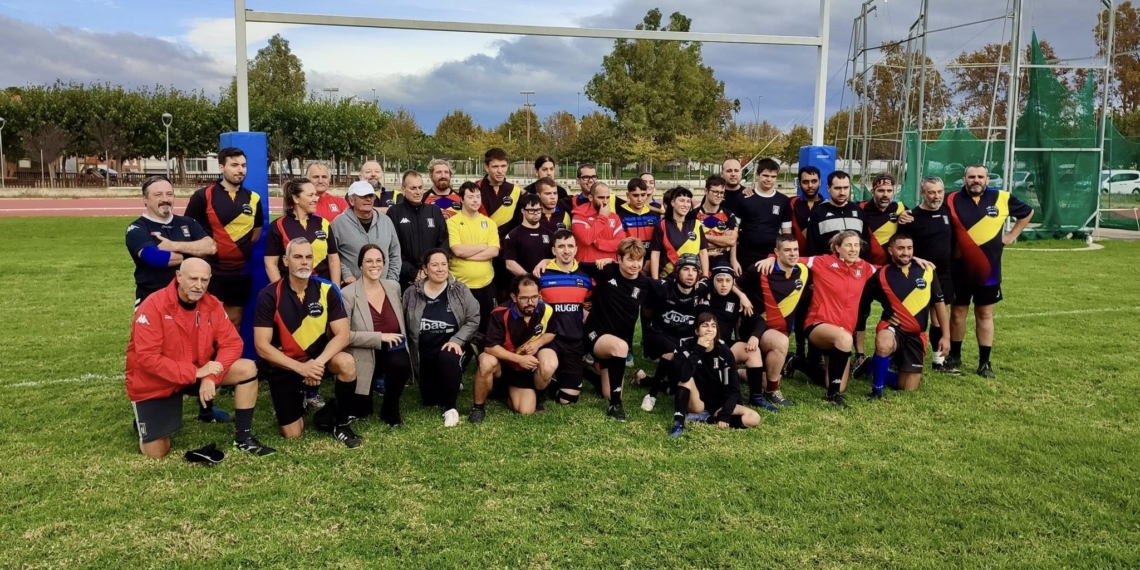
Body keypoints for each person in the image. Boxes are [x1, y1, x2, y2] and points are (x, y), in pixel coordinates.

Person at [126, 258, 274, 457]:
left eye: (204, 280)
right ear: (178, 277)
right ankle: (146, 420)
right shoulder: (152, 305)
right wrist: (195, 372)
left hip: (197, 373)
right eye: (193, 279)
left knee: (247, 368)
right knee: (157, 452)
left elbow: (232, 343)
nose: (199, 285)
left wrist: (209, 377)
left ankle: (243, 438)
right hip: (159, 380)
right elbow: (147, 359)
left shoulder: (212, 304)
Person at [253, 238, 362, 448]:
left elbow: (343, 335)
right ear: (285, 261)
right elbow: (262, 346)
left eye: (308, 257)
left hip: (318, 363)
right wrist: (302, 368)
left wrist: (317, 364)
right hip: (286, 365)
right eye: (298, 257)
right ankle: (300, 399)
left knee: (346, 362)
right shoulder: (268, 294)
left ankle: (340, 422)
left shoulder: (327, 289)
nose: (304, 262)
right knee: (292, 435)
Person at [756, 230, 875, 408]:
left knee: (839, 383)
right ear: (837, 248)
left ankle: (796, 362)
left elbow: (887, 271)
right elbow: (791, 258)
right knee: (844, 340)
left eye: (856, 245)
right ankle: (832, 396)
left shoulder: (864, 267)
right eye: (848, 245)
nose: (853, 249)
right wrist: (771, 257)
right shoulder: (822, 262)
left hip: (843, 333)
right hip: (818, 325)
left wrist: (914, 261)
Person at [944, 164, 1033, 378]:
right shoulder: (950, 198)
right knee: (957, 313)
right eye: (972, 177)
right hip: (958, 268)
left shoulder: (1001, 197)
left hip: (989, 270)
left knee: (984, 313)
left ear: (987, 180)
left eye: (980, 177)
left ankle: (985, 362)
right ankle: (954, 357)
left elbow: (1028, 212)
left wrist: (1011, 236)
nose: (976, 180)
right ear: (964, 179)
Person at [862, 232, 950, 399]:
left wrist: (946, 336)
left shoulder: (927, 270)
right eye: (900, 248)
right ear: (890, 250)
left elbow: (939, 304)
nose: (906, 252)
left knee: (907, 387)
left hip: (917, 336)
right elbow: (861, 297)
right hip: (892, 327)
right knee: (883, 342)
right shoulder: (880, 274)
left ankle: (870, 366)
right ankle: (876, 390)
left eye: (909, 248)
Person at [183, 147, 264, 326]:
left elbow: (256, 233)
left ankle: (229, 355)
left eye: (243, 165)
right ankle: (207, 355)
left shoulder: (254, 198)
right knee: (208, 320)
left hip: (241, 272)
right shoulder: (203, 196)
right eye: (234, 165)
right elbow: (187, 230)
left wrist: (234, 248)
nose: (240, 169)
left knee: (234, 320)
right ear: (221, 168)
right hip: (212, 271)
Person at [403, 249, 482, 427]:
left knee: (448, 357)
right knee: (430, 400)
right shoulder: (411, 293)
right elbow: (404, 323)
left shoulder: (460, 290)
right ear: (425, 268)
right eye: (435, 265)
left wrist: (457, 340)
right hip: (424, 352)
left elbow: (473, 319)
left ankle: (451, 409)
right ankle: (450, 380)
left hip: (453, 347)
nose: (440, 269)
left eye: (444, 264)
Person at [470, 274, 559, 421]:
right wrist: (519, 359)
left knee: (526, 410)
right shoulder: (499, 314)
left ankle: (538, 395)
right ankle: (478, 408)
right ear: (514, 297)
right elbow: (490, 347)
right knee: (486, 361)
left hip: (523, 370)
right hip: (503, 365)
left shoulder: (547, 310)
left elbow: (551, 333)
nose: (530, 302)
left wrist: (537, 343)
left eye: (535, 297)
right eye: (524, 298)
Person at [583, 238, 653, 420]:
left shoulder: (645, 284)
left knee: (608, 391)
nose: (635, 265)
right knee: (620, 347)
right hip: (595, 334)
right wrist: (545, 261)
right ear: (619, 259)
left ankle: (588, 375)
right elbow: (575, 266)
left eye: (639, 260)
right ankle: (615, 406)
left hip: (618, 344)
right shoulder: (607, 270)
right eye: (630, 259)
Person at [341, 244, 411, 426]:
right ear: (360, 265)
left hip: (392, 348)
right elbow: (344, 335)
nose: (375, 265)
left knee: (400, 363)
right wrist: (379, 337)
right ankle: (365, 393)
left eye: (379, 261)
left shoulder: (393, 287)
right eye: (369, 261)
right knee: (362, 410)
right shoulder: (347, 294)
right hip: (362, 352)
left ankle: (390, 407)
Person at [898, 176, 958, 374]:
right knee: (914, 318)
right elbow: (900, 248)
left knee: (939, 318)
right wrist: (915, 260)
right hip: (918, 276)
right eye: (931, 192)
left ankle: (938, 361)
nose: (936, 196)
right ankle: (901, 356)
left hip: (944, 274)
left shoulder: (947, 211)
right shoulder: (911, 217)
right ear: (922, 193)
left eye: (940, 191)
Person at [126, 175, 216, 309]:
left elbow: (211, 247)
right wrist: (194, 253)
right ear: (145, 199)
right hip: (152, 301)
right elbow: (155, 258)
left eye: (169, 194)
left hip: (191, 302)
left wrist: (173, 246)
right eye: (158, 195)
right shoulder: (137, 228)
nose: (165, 199)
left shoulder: (189, 223)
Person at [666, 313, 762, 438]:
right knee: (687, 380)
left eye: (713, 326)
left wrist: (725, 415)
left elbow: (734, 388)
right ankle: (679, 424)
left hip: (719, 404)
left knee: (754, 418)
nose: (709, 329)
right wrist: (699, 349)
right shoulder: (685, 346)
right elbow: (683, 376)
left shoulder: (724, 351)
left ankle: (709, 419)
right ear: (697, 330)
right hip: (698, 403)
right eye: (705, 325)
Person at [740, 234, 806, 411]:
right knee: (781, 343)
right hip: (755, 329)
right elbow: (735, 284)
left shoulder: (803, 269)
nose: (793, 254)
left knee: (764, 377)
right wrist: (742, 297)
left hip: (780, 331)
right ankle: (772, 391)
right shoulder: (760, 269)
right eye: (787, 250)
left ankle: (740, 374)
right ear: (777, 251)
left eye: (795, 249)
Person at [639, 254, 709, 412]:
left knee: (677, 382)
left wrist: (743, 296)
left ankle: (645, 379)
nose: (691, 274)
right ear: (677, 272)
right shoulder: (664, 286)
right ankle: (651, 395)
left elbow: (726, 279)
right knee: (674, 351)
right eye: (685, 269)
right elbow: (637, 278)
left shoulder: (702, 289)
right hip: (658, 334)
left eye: (694, 270)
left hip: (684, 339)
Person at [852, 173, 904, 373]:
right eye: (880, 190)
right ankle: (859, 355)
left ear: (894, 191)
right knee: (860, 314)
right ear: (872, 190)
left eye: (889, 191)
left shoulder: (900, 209)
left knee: (894, 312)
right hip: (864, 273)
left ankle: (891, 353)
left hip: (889, 274)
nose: (885, 194)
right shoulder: (860, 208)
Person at [538, 230, 593, 405]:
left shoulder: (585, 277)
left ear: (576, 249)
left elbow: (589, 304)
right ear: (553, 250)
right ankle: (538, 393)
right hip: (550, 339)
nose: (566, 251)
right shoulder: (542, 275)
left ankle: (558, 380)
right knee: (547, 366)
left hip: (574, 340)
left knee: (567, 400)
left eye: (570, 246)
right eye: (561, 246)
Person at [446, 181, 500, 335]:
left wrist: (466, 254)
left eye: (478, 196)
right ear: (461, 199)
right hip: (461, 285)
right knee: (461, 325)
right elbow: (457, 250)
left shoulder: (489, 223)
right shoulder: (452, 222)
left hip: (486, 284)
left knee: (486, 326)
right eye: (471, 197)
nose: (476, 200)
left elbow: (494, 251)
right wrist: (482, 246)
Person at [265, 178, 341, 284]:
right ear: (296, 198)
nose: (316, 199)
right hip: (292, 290)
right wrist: (282, 292)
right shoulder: (278, 226)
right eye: (310, 195)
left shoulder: (323, 223)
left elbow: (333, 259)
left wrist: (336, 289)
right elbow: (270, 263)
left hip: (323, 289)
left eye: (315, 194)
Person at [388, 167, 451, 290]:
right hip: (406, 279)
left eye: (420, 187)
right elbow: (392, 247)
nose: (418, 192)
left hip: (433, 276)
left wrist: (431, 268)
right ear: (403, 189)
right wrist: (413, 272)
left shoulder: (434, 211)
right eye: (413, 188)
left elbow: (444, 242)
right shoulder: (394, 212)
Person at [788, 166, 823, 371]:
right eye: (805, 181)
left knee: (819, 308)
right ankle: (800, 350)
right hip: (796, 265)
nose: (810, 185)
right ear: (799, 183)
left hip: (821, 267)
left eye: (813, 181)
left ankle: (816, 352)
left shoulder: (827, 205)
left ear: (819, 182)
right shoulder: (791, 203)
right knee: (799, 308)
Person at [729, 158, 791, 276]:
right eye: (765, 175)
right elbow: (733, 232)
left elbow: (786, 235)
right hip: (745, 255)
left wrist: (781, 257)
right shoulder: (743, 198)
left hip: (771, 256)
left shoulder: (783, 201)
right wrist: (733, 259)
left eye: (773, 176)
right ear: (757, 175)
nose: (769, 179)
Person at [333, 180, 401, 286]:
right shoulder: (338, 223)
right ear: (351, 201)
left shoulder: (386, 221)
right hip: (353, 287)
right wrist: (346, 273)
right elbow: (333, 255)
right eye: (363, 196)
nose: (368, 199)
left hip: (385, 287)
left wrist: (391, 280)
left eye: (371, 196)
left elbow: (395, 253)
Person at [571, 181, 627, 279]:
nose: (605, 201)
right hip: (586, 268)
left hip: (609, 267)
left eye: (607, 197)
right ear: (591, 197)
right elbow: (586, 239)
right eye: (601, 197)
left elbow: (621, 244)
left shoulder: (614, 217)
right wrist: (602, 218)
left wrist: (597, 242)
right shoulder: (579, 215)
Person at [649, 187, 709, 279]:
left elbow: (703, 252)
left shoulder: (696, 224)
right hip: (668, 277)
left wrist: (705, 276)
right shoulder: (661, 225)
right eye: (682, 200)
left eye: (688, 201)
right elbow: (655, 255)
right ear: (673, 202)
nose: (686, 205)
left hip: (692, 279)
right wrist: (655, 281)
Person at [804, 170, 867, 257]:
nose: (842, 192)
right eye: (837, 188)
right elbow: (811, 248)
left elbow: (865, 245)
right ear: (828, 189)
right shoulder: (818, 213)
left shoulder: (859, 211)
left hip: (854, 267)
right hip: (829, 267)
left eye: (846, 188)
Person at [503, 193, 553, 278]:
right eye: (531, 210)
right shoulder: (513, 235)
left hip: (546, 280)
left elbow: (555, 259)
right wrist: (529, 278)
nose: (536, 213)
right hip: (523, 283)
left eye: (538, 210)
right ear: (523, 211)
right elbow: (510, 264)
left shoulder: (549, 234)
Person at [476, 147, 523, 236]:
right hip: (480, 242)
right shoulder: (475, 189)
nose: (500, 171)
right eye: (495, 166)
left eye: (503, 166)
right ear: (486, 167)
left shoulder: (515, 190)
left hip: (507, 245)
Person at [697, 175, 738, 270]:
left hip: (722, 262)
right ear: (706, 191)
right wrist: (723, 241)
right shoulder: (693, 215)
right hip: (699, 262)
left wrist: (704, 236)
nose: (719, 196)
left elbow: (731, 241)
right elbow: (692, 242)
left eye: (722, 193)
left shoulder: (729, 215)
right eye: (715, 192)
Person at [616, 177, 661, 256]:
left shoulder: (655, 217)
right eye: (635, 195)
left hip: (650, 262)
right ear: (627, 195)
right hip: (630, 262)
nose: (640, 199)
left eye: (643, 195)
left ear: (647, 195)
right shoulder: (620, 217)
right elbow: (619, 244)